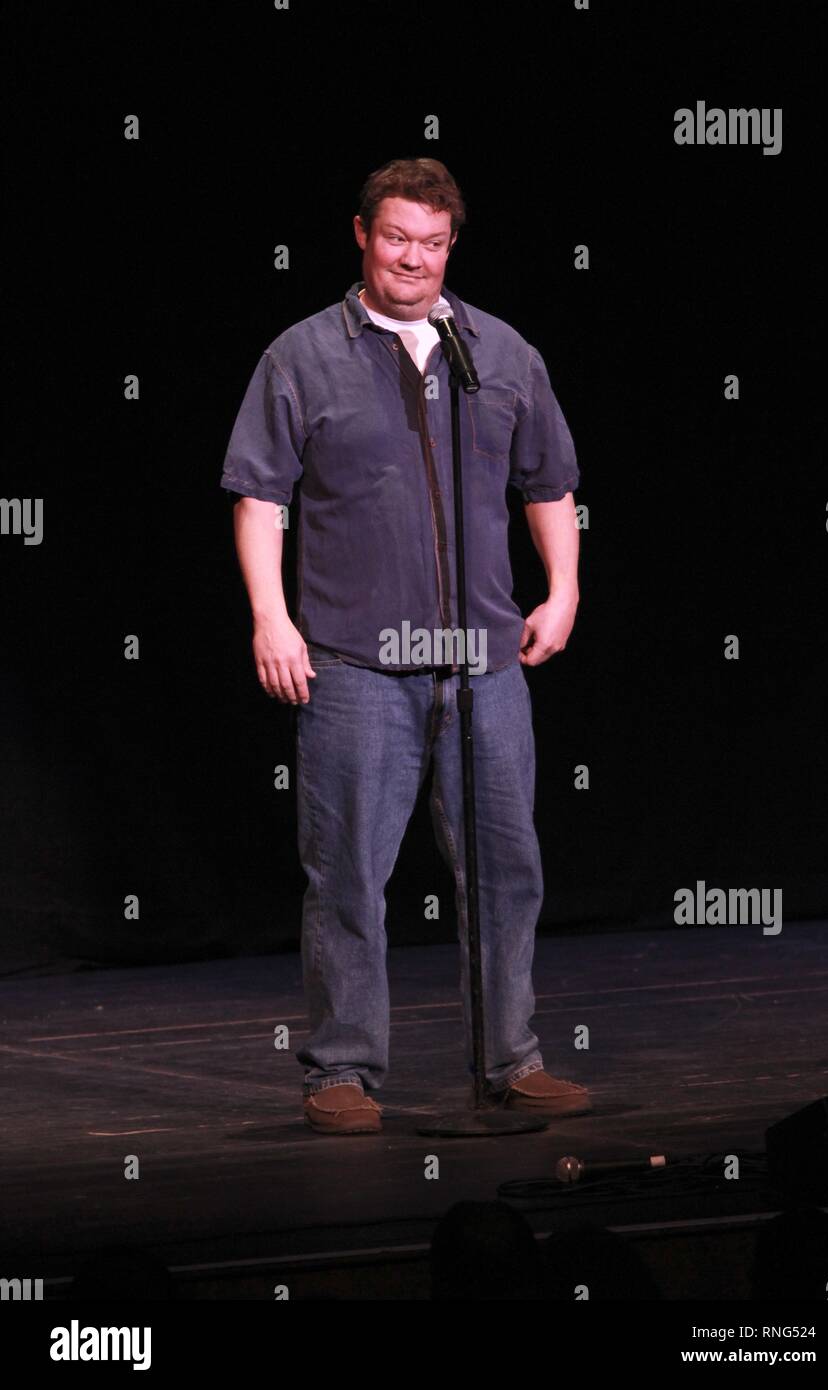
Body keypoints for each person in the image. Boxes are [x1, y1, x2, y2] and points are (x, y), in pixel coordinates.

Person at [220, 157, 592, 1134]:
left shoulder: (496, 351)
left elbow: (547, 486)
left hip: (483, 665)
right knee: (346, 875)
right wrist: (271, 617)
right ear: (360, 235)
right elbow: (262, 498)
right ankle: (338, 1072)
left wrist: (562, 591)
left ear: (451, 246)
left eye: (431, 244)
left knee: (507, 869)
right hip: (353, 664)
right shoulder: (301, 355)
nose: (412, 260)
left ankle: (509, 1059)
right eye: (395, 239)